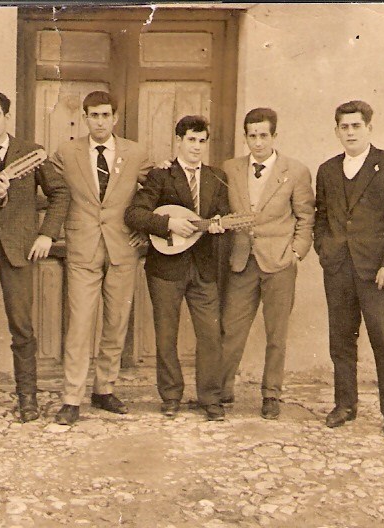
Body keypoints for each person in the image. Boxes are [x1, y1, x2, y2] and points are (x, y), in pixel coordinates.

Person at [0, 91, 70, 420]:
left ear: (6, 117)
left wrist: (47, 234)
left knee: (22, 327)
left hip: (19, 252)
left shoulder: (31, 153)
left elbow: (60, 192)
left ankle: (27, 396)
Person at [314, 100, 384, 438]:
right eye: (344, 127)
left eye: (356, 126)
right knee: (341, 342)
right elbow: (321, 218)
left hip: (378, 273)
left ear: (369, 128)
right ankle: (345, 405)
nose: (350, 133)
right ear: (336, 131)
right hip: (338, 270)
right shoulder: (327, 170)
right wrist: (325, 250)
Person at [49, 91, 152, 426]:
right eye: (93, 115)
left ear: (115, 118)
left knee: (116, 323)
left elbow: (156, 192)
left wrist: (147, 228)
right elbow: (48, 186)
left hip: (122, 247)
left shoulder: (135, 153)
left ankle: (104, 389)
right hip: (83, 248)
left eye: (106, 115)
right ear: (85, 118)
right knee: (79, 325)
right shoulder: (67, 152)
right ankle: (71, 398)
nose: (100, 122)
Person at [125, 115, 229, 421]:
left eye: (202, 141)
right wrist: (168, 223)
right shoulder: (161, 176)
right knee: (166, 334)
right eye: (191, 140)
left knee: (210, 335)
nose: (196, 147)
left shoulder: (217, 177)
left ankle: (210, 398)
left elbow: (223, 215)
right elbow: (134, 214)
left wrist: (220, 225)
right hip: (166, 267)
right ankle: (170, 395)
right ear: (179, 141)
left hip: (204, 268)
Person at [219, 108, 315, 419]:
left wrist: (296, 252)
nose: (258, 142)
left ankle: (271, 394)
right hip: (241, 261)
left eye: (263, 135)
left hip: (279, 263)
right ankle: (222, 390)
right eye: (252, 136)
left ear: (274, 136)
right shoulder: (231, 169)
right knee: (231, 328)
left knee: (276, 333)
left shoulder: (295, 171)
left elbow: (306, 217)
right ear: (245, 137)